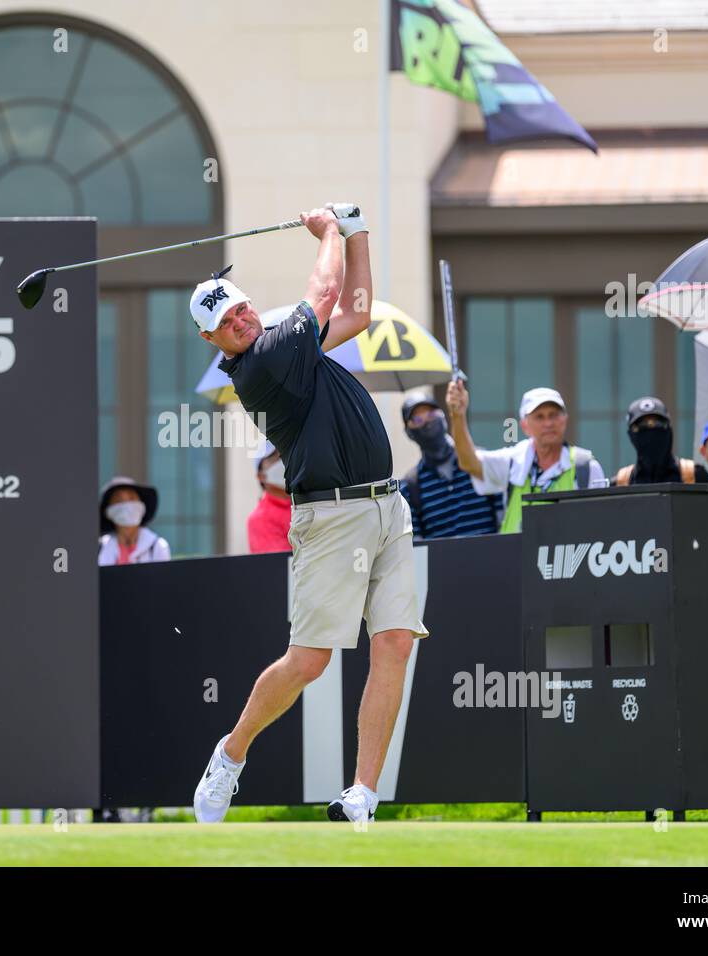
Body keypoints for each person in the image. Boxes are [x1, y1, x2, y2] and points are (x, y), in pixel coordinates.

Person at [189, 203, 428, 825]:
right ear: (211, 339)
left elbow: (357, 311)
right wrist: (326, 232)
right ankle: (231, 754)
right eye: (224, 320)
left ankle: (363, 796)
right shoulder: (260, 366)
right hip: (330, 519)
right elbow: (324, 292)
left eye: (241, 307)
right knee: (310, 661)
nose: (239, 320)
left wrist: (358, 235)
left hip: (388, 507)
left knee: (396, 644)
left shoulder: (287, 345)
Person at [446, 382, 604, 534]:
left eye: (554, 415)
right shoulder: (514, 460)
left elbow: (600, 526)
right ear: (524, 426)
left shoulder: (587, 468)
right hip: (514, 559)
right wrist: (457, 416)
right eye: (539, 417)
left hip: (568, 560)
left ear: (565, 419)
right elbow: (468, 462)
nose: (548, 423)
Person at [399, 389, 501, 539]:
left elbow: (504, 523)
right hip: (441, 562)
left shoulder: (480, 463)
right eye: (418, 420)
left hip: (493, 560)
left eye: (431, 414)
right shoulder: (411, 486)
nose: (427, 422)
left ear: (443, 416)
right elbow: (417, 547)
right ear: (409, 433)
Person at [613, 397, 708, 485]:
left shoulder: (696, 477)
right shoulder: (620, 483)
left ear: (669, 430)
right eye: (642, 427)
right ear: (631, 435)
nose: (651, 434)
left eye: (658, 425)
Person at [97, 477, 170, 565]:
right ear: (108, 511)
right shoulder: (100, 547)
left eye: (132, 498)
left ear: (142, 505)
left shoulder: (157, 546)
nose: (127, 505)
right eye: (119, 500)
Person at [246, 441, 291, 553]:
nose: (282, 462)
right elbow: (280, 566)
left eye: (283, 456)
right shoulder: (259, 519)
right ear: (261, 476)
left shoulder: (303, 502)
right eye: (274, 457)